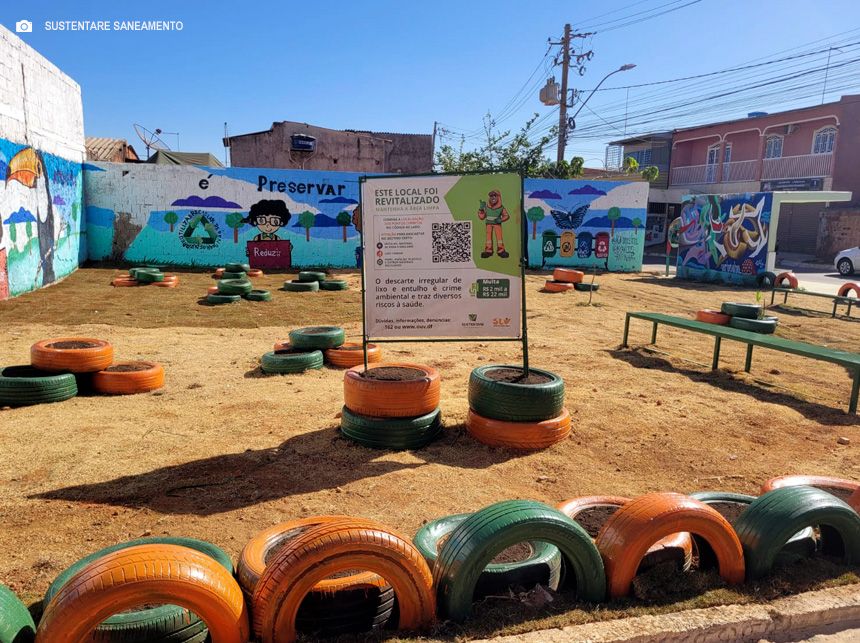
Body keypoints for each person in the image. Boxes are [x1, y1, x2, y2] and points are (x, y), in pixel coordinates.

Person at [477, 189, 510, 258]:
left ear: (498, 197)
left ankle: (501, 251)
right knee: (488, 238)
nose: (493, 197)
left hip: (497, 224)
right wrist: (481, 209)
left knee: (499, 237)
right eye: (491, 196)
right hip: (488, 224)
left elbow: (506, 216)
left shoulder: (501, 208)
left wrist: (500, 220)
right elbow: (482, 217)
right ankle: (488, 251)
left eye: (495, 195)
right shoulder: (486, 207)